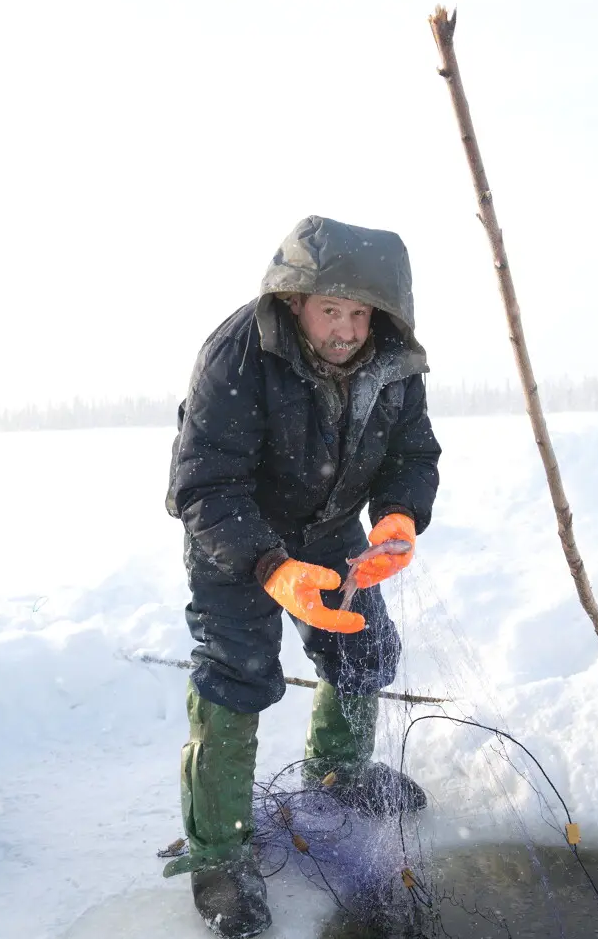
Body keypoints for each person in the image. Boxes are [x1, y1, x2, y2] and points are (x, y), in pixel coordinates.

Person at [164, 215, 441, 938]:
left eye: (360, 313)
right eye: (331, 311)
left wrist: (398, 519)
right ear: (294, 302)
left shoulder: (392, 362)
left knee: (363, 648)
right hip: (236, 538)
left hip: (329, 531)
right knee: (237, 675)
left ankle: (337, 775)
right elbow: (202, 485)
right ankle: (218, 853)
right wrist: (268, 565)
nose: (347, 330)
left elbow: (412, 451)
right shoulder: (239, 353)